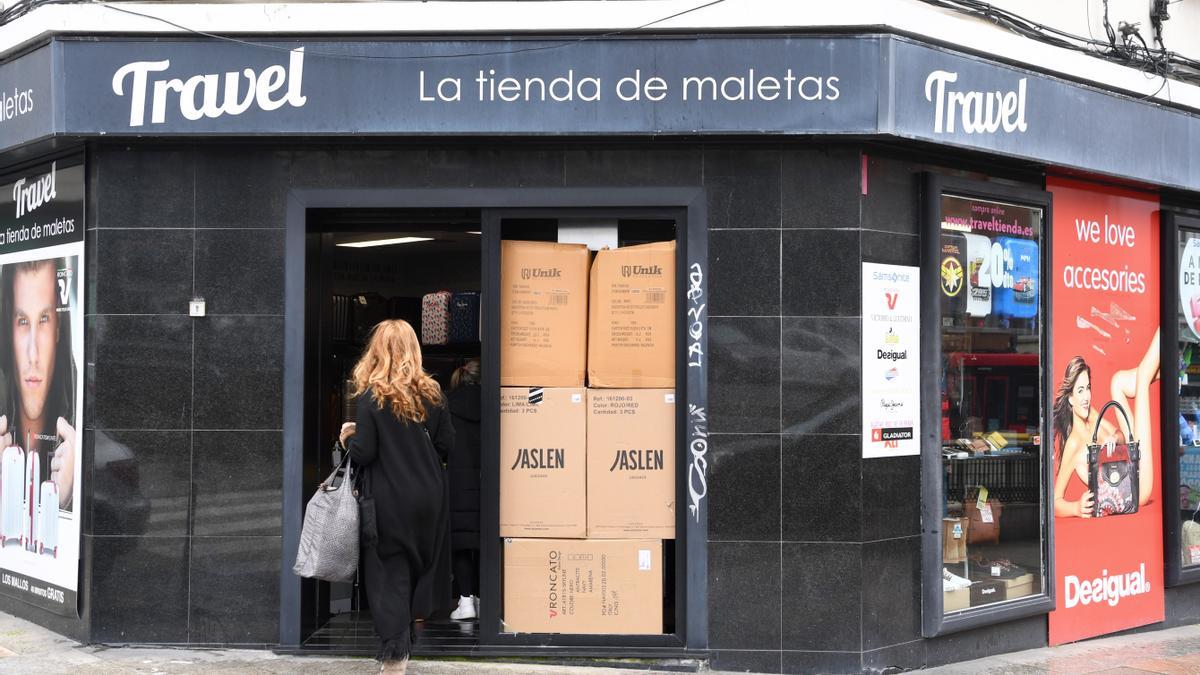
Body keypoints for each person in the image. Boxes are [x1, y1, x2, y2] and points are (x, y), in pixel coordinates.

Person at [339, 319, 454, 674]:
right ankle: (405, 642)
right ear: (413, 350)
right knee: (418, 568)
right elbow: (446, 445)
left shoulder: (373, 397)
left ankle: (394, 663)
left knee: (389, 574)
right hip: (430, 498)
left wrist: (348, 437)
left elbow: (365, 452)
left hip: (389, 500)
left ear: (377, 351)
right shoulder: (434, 393)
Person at [1052, 329, 1159, 518]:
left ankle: (1168, 367)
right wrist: (1076, 508)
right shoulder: (1074, 443)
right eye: (1080, 391)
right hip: (1135, 490)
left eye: (1088, 389)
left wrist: (1113, 437)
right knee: (1143, 376)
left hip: (1131, 465)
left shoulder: (1092, 415)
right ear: (1070, 399)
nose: (1086, 397)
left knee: (1117, 382)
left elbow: (1122, 434)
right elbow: (1055, 502)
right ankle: (1170, 327)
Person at [0, 258, 76, 510]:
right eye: (22, 321)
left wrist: (66, 500)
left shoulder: (76, 428)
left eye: (44, 319)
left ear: (58, 329)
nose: (33, 354)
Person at [447, 359, 481, 621]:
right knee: (487, 541)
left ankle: (466, 601)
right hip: (489, 481)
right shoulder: (496, 403)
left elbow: (442, 443)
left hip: (459, 484)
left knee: (462, 543)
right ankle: (485, 599)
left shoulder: (448, 405)